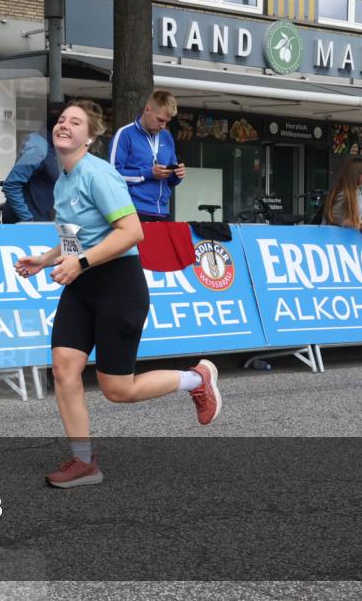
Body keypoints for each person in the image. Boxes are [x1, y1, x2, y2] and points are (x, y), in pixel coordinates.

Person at [13, 100, 221, 489]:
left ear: (89, 137)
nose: (64, 125)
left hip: (118, 286)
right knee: (63, 369)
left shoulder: (99, 174)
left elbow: (132, 232)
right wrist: (45, 259)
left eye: (76, 122)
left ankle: (197, 379)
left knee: (118, 390)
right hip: (82, 285)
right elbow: (75, 239)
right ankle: (83, 462)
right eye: (61, 120)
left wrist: (81, 263)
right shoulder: (63, 181)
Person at [107, 89, 185, 222]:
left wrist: (177, 175)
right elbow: (112, 176)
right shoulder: (124, 134)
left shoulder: (166, 136)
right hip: (132, 210)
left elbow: (170, 181)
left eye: (166, 121)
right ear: (147, 109)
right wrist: (149, 173)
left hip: (163, 211)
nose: (163, 126)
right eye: (160, 120)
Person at [1, 102, 64, 223]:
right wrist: (28, 220)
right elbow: (11, 185)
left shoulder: (51, 146)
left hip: (43, 221)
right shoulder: (38, 148)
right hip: (31, 226)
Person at [321, 157, 362, 234]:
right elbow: (335, 218)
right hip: (335, 238)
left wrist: (361, 224)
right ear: (359, 174)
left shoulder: (356, 191)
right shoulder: (343, 193)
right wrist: (359, 223)